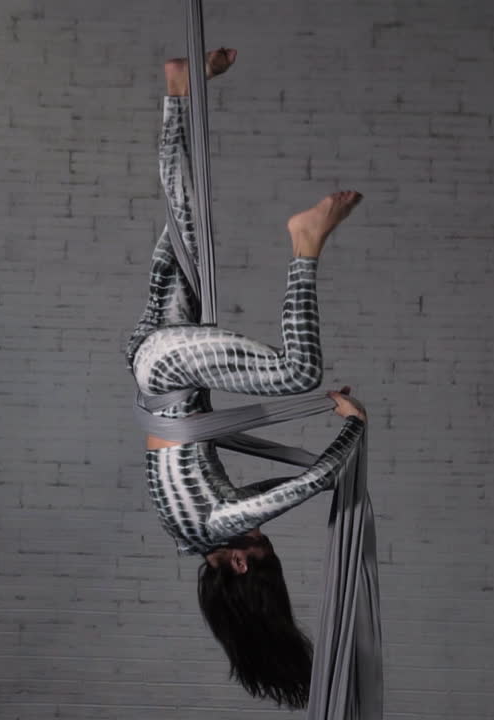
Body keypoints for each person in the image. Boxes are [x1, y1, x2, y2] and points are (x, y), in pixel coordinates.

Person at [124, 48, 367, 709]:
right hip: (148, 365)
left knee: (299, 371)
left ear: (236, 564)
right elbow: (268, 491)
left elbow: (313, 481)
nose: (261, 540)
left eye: (263, 554)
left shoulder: (218, 523)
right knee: (185, 214)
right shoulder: (192, 532)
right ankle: (178, 90)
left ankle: (306, 243)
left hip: (170, 372)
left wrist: (351, 430)